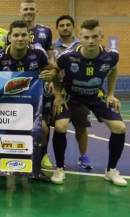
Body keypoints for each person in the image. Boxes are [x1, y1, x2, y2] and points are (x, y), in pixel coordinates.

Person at [51, 19, 127, 186]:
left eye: (94, 37)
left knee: (120, 128)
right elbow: (54, 71)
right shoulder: (68, 56)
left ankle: (111, 171)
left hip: (95, 95)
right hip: (70, 94)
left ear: (101, 37)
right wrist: (58, 95)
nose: (90, 41)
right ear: (80, 37)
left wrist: (111, 94)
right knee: (60, 126)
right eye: (86, 37)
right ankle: (60, 168)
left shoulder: (111, 55)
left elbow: (113, 70)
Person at [0, 20, 56, 184]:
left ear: (29, 37)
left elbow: (53, 69)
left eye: (24, 35)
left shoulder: (38, 53)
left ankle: (37, 167)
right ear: (9, 38)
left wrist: (50, 76)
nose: (20, 38)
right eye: (16, 35)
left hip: (30, 103)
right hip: (3, 105)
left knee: (44, 130)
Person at [52, 15, 92, 169]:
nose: (65, 27)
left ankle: (83, 156)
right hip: (59, 93)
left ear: (73, 27)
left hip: (81, 93)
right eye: (61, 25)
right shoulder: (52, 47)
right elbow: (51, 69)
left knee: (81, 127)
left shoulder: (82, 45)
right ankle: (57, 160)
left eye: (68, 24)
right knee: (58, 127)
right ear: (57, 28)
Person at [19, 0, 55, 169]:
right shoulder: (14, 31)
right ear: (20, 11)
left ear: (37, 10)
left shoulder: (45, 31)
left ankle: (43, 155)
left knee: (44, 125)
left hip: (39, 86)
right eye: (25, 9)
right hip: (19, 87)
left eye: (31, 9)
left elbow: (51, 59)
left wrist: (52, 77)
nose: (28, 11)